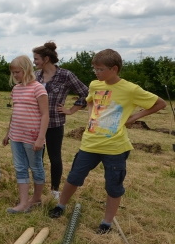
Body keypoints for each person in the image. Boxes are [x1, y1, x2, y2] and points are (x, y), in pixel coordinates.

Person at [49, 49, 166, 234]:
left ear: (114, 69)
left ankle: (107, 222)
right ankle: (61, 205)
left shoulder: (130, 89)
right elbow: (89, 101)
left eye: (100, 69)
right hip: (89, 143)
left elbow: (160, 103)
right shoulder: (95, 85)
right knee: (74, 177)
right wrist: (90, 115)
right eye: (94, 68)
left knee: (113, 185)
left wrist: (134, 117)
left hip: (115, 148)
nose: (95, 72)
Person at [33, 41, 89, 200]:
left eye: (36, 59)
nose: (34, 62)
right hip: (36, 124)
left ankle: (55, 189)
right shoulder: (36, 76)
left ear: (46, 59)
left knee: (54, 157)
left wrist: (71, 110)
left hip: (55, 124)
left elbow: (86, 93)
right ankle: (38, 187)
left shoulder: (65, 75)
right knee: (37, 157)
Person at [2, 55, 48, 213]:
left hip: (32, 137)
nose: (15, 75)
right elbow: (14, 113)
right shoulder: (16, 89)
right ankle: (23, 203)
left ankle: (36, 199)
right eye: (13, 72)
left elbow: (45, 114)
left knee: (36, 167)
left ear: (27, 69)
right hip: (16, 136)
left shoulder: (38, 88)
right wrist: (8, 133)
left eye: (18, 72)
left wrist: (41, 138)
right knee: (20, 167)